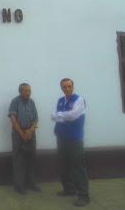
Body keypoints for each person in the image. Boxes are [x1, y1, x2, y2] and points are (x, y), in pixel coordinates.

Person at [51, 78, 90, 207]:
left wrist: (60, 115)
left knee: (78, 167)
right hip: (61, 138)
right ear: (61, 88)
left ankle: (84, 196)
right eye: (64, 87)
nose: (67, 89)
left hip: (75, 139)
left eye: (69, 86)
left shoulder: (79, 100)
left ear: (73, 87)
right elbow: (54, 117)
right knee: (64, 166)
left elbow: (73, 115)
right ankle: (69, 190)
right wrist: (61, 116)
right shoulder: (61, 101)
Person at [8, 83, 40, 194]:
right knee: (19, 160)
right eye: (26, 91)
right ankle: (19, 186)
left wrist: (30, 131)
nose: (28, 93)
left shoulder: (32, 102)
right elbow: (13, 119)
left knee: (32, 158)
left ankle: (32, 183)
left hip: (31, 133)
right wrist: (22, 133)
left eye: (29, 90)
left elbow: (36, 119)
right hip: (18, 134)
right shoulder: (15, 101)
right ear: (20, 92)